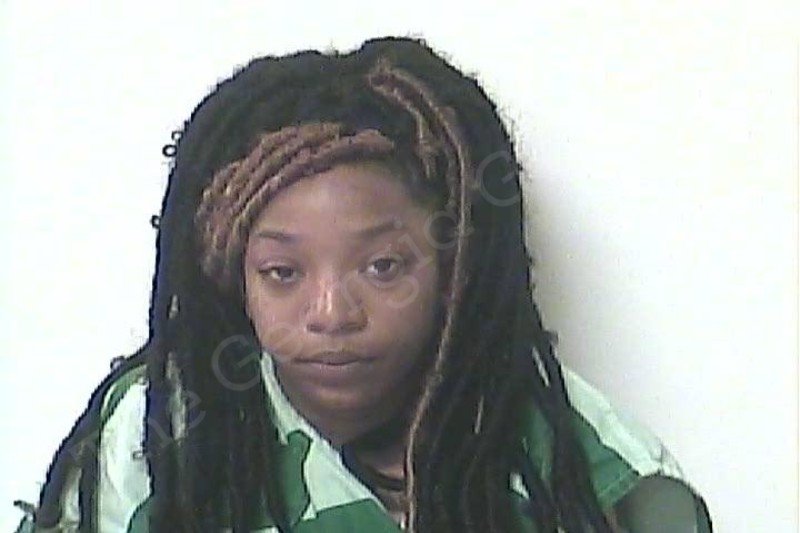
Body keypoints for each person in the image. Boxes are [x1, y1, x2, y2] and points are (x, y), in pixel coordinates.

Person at [15, 36, 712, 532]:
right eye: (283, 273)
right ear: (234, 277)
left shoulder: (577, 456)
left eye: (383, 267)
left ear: (455, 266)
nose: (332, 312)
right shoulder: (159, 432)